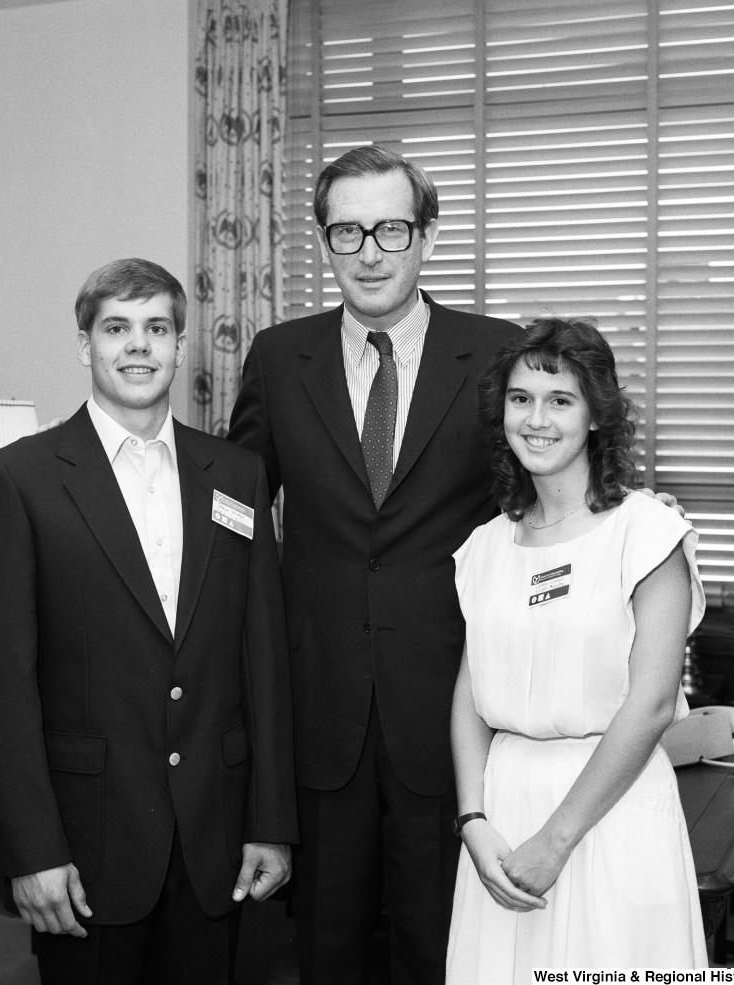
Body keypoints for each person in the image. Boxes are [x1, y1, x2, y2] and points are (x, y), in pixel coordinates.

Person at [0, 258, 299, 985]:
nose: (138, 346)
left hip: (215, 841)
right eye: (117, 328)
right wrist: (31, 849)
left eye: (156, 328)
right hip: (84, 848)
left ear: (181, 344)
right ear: (86, 345)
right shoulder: (16, 480)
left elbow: (261, 657)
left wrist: (271, 821)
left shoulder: (237, 474)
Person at [228, 145, 520, 983]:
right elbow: (237, 512)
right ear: (324, 243)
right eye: (346, 231)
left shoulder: (498, 354)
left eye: (390, 228)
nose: (368, 251)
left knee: (445, 948)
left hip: (453, 711)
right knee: (325, 949)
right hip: (320, 715)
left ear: (426, 236)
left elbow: (533, 509)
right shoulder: (281, 357)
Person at [446, 317, 707, 982]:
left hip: (609, 812)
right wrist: (473, 819)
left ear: (597, 414)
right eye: (521, 398)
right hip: (502, 819)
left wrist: (557, 840)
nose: (537, 418)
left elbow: (649, 705)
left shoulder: (646, 534)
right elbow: (470, 696)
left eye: (560, 399)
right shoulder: (485, 548)